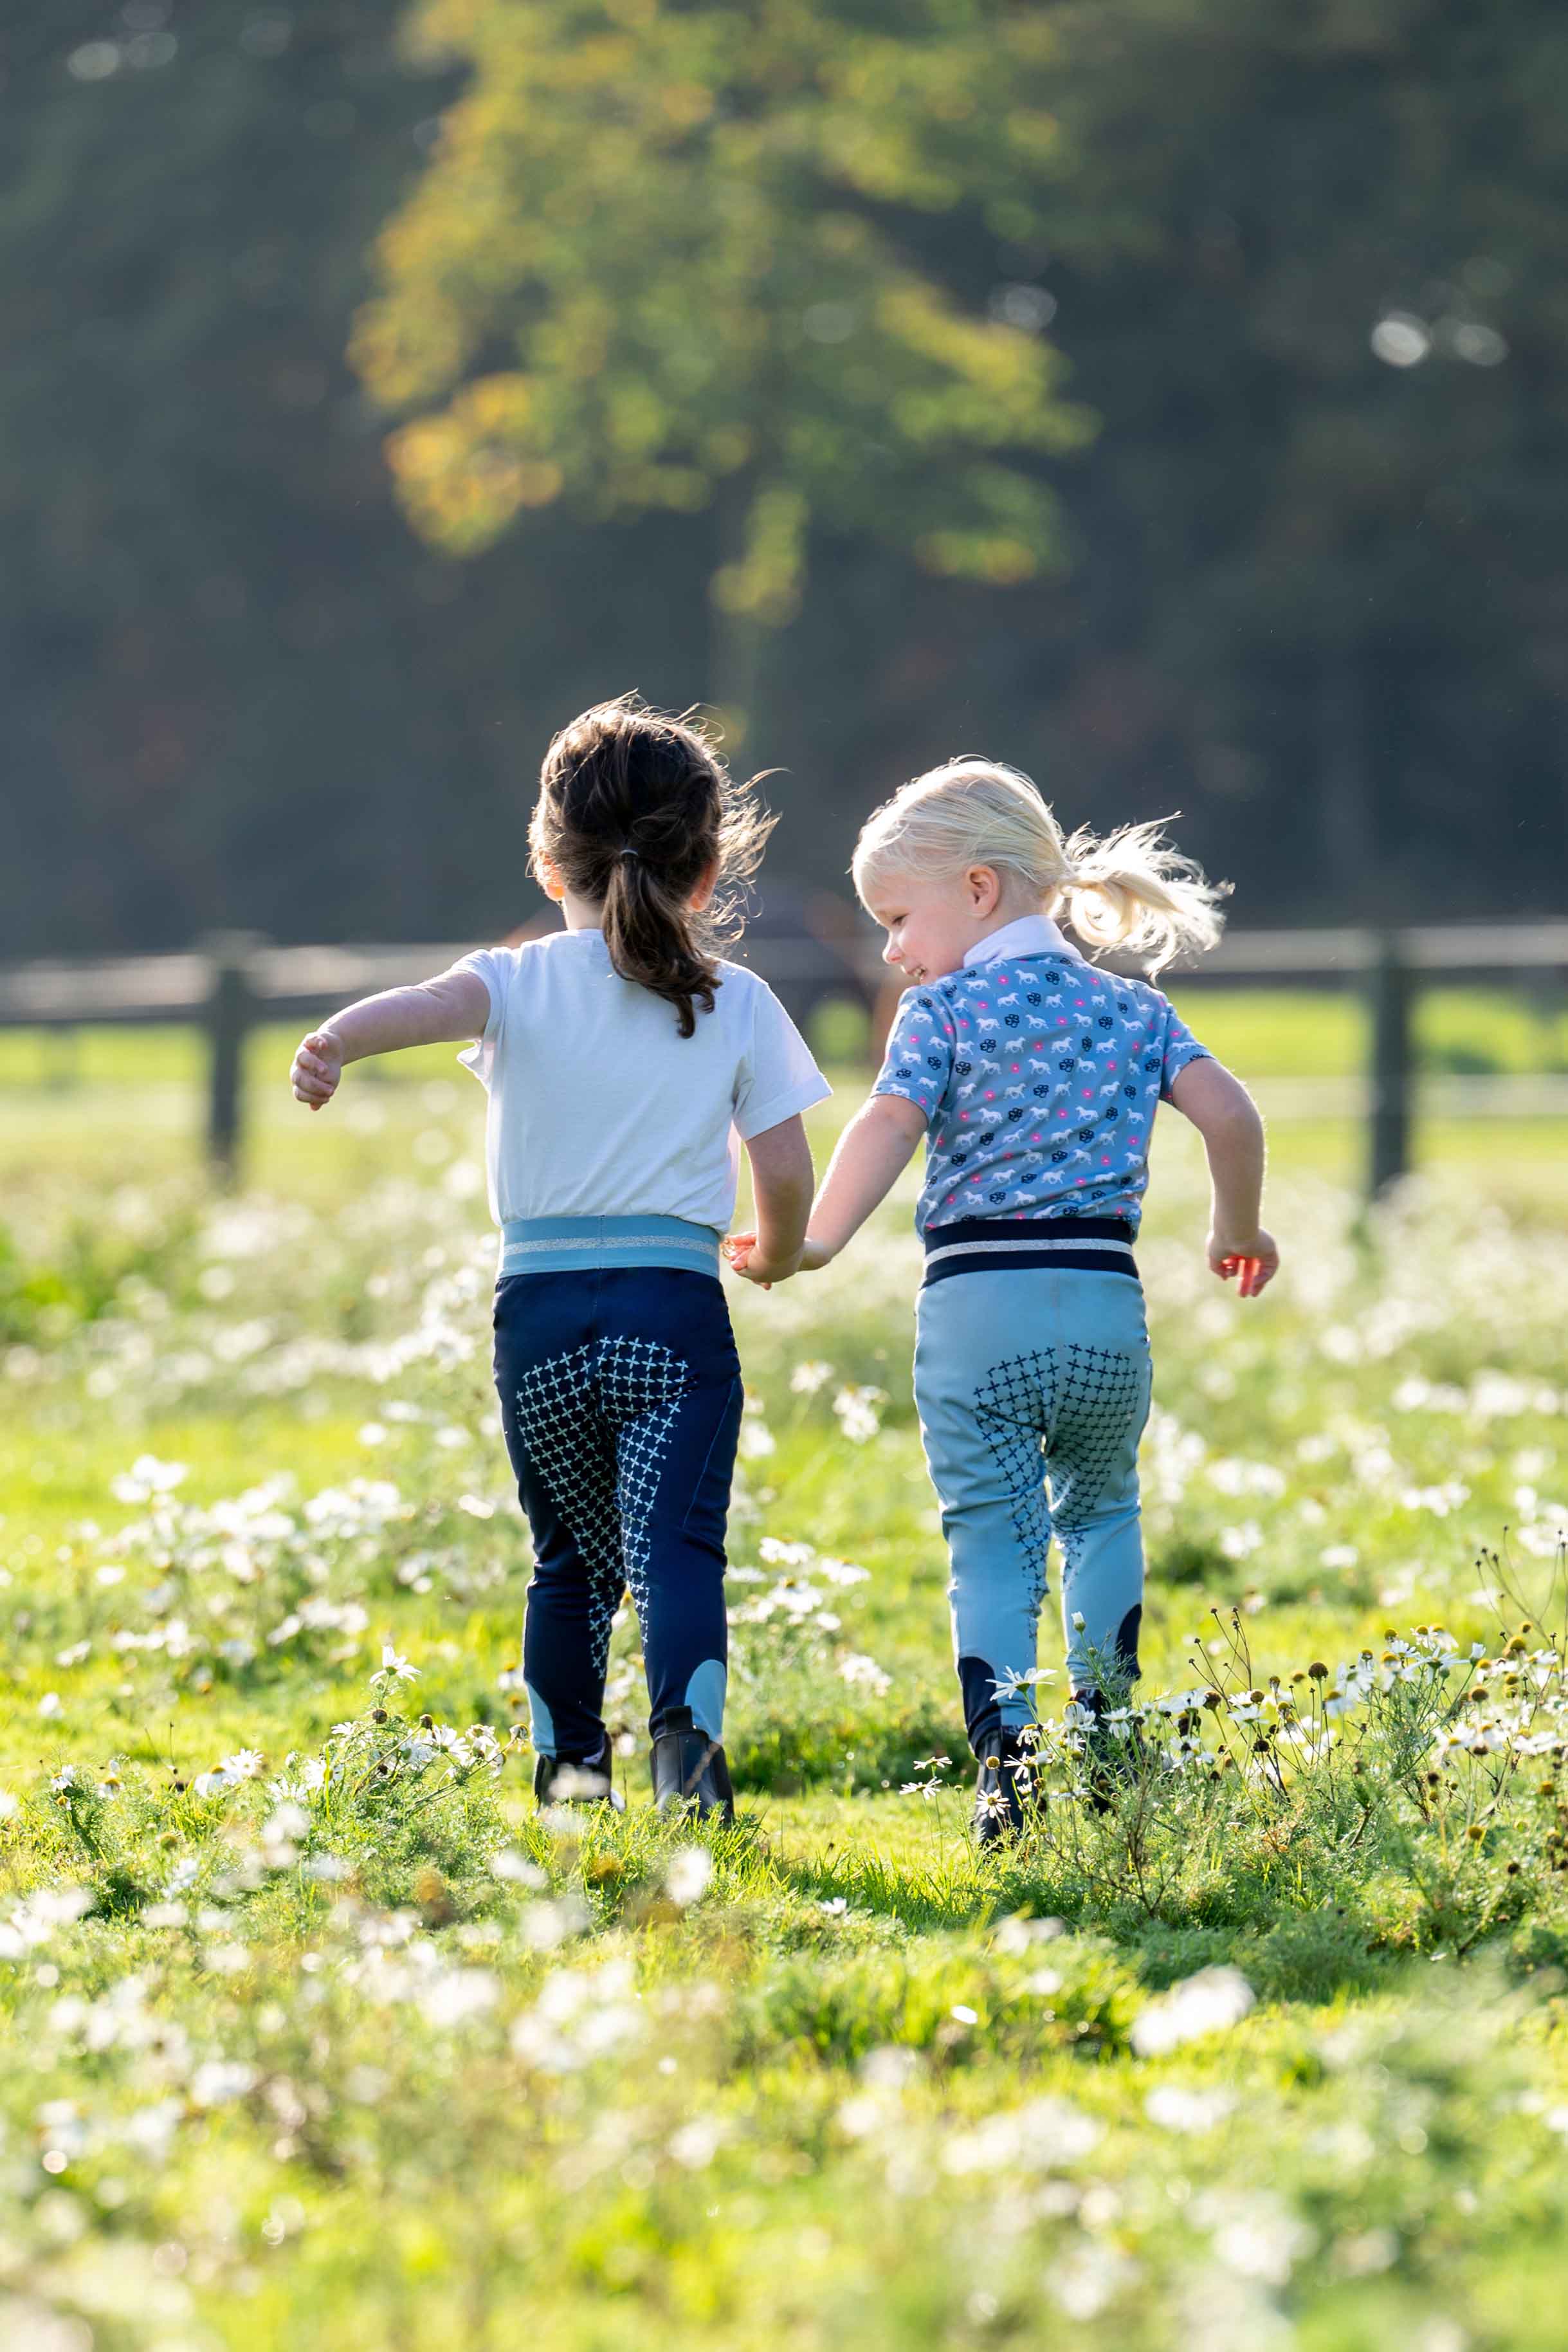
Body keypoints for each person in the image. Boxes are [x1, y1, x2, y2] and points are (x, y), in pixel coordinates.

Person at [291, 697, 829, 1820]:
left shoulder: (514, 981)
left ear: (549, 860)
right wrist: (776, 1254)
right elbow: (782, 1170)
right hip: (673, 1321)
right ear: (707, 866)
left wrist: (337, 1038)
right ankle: (685, 1761)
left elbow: (425, 1004)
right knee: (677, 1550)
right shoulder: (735, 998)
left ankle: (571, 1780)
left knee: (568, 1564)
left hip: (536, 1324)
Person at [729, 758, 1277, 1842]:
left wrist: (817, 1241)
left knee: (989, 1537)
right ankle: (1113, 1744)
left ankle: (1005, 1774)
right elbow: (1232, 1118)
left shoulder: (941, 1011)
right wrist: (1235, 1229)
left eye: (897, 918)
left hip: (979, 1309)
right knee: (1104, 1509)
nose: (889, 950)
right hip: (1104, 1311)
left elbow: (887, 1125)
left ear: (977, 891)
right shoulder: (1135, 1009)